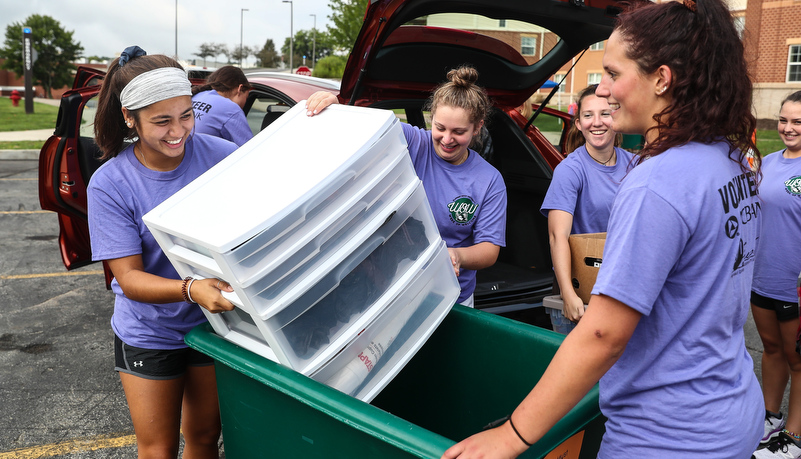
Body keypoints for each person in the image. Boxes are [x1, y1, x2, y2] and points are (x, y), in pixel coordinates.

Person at [440, 0, 764, 457]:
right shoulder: (730, 160)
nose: (604, 90)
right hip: (732, 414)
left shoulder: (657, 181)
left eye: (613, 73)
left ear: (661, 79)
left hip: (667, 437)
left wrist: (511, 436)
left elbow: (602, 335)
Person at [88, 46, 238, 458]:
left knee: (206, 438)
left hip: (215, 323)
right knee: (158, 448)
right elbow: (130, 279)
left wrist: (321, 110)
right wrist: (191, 288)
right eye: (161, 121)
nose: (178, 131)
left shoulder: (223, 158)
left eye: (186, 115)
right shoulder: (110, 183)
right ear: (129, 118)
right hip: (149, 331)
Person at [306, 66, 507, 308]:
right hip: (394, 289)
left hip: (452, 297)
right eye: (440, 128)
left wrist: (456, 255)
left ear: (477, 128)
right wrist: (335, 106)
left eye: (459, 132)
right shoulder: (414, 142)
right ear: (431, 118)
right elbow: (361, 127)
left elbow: (489, 249)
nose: (446, 139)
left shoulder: (489, 180)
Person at [540, 84, 633, 334]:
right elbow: (557, 236)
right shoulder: (570, 170)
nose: (596, 122)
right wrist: (568, 295)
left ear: (616, 117)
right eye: (588, 115)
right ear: (579, 124)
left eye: (604, 113)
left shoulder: (634, 165)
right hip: (582, 287)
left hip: (621, 286)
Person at [750, 90, 801, 459]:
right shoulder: (767, 162)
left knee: (798, 359)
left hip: (794, 285)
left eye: (797, 122)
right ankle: (771, 419)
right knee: (771, 350)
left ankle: (794, 438)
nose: (788, 128)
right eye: (783, 120)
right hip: (762, 277)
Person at [191, 65, 253, 146]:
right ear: (240, 89)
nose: (245, 102)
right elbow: (250, 150)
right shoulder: (231, 109)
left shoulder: (197, 96)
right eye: (246, 97)